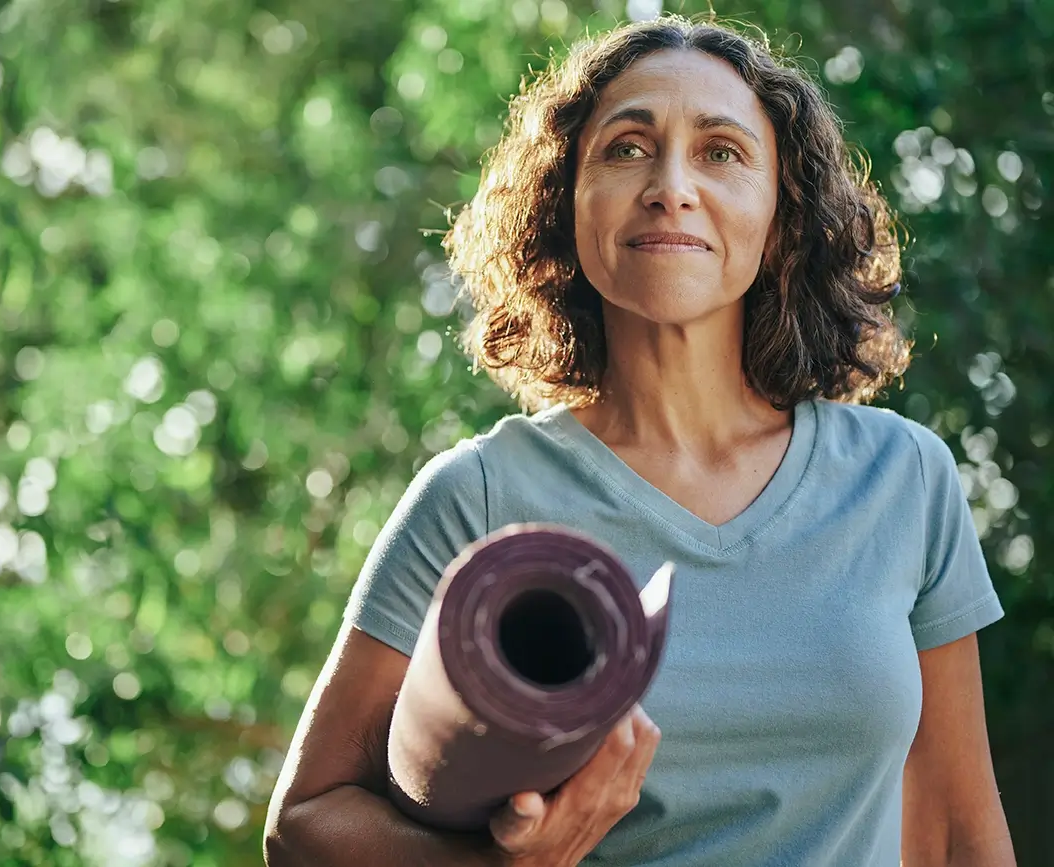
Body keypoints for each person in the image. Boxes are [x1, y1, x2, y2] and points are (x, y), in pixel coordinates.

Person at [263, 15, 1016, 867]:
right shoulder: (476, 495)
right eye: (626, 148)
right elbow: (304, 824)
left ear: (780, 214)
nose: (670, 185)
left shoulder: (905, 478)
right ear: (566, 203)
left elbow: (957, 829)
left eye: (722, 152)